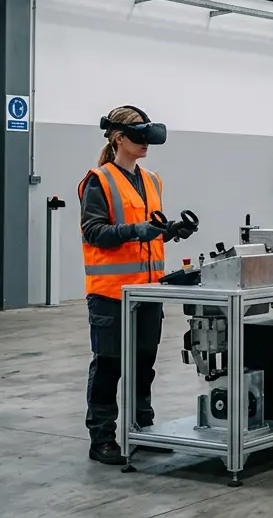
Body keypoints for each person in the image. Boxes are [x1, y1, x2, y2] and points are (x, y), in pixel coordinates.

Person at [79, 105, 193, 465]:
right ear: (119, 138)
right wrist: (133, 231)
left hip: (149, 291)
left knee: (144, 362)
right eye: (139, 137)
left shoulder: (152, 180)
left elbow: (150, 229)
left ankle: (142, 429)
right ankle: (102, 438)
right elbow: (94, 232)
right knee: (110, 364)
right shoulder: (99, 180)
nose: (145, 144)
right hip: (111, 294)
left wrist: (171, 231)